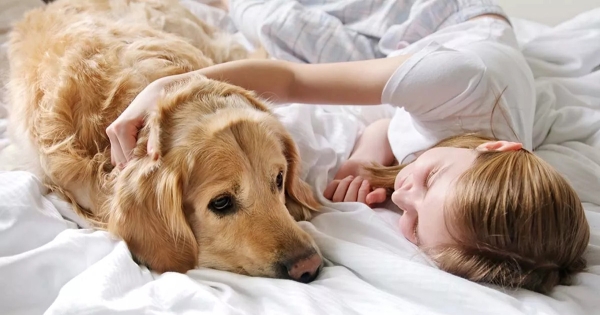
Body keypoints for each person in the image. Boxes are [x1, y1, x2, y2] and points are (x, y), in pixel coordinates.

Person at [105, 0, 590, 294]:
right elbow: (290, 80)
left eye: (414, 221)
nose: (404, 191)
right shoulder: (460, 80)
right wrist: (170, 87)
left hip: (427, 65)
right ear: (498, 148)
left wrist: (363, 157)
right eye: (430, 181)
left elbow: (394, 127)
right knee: (275, 21)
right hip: (439, 19)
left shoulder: (478, 173)